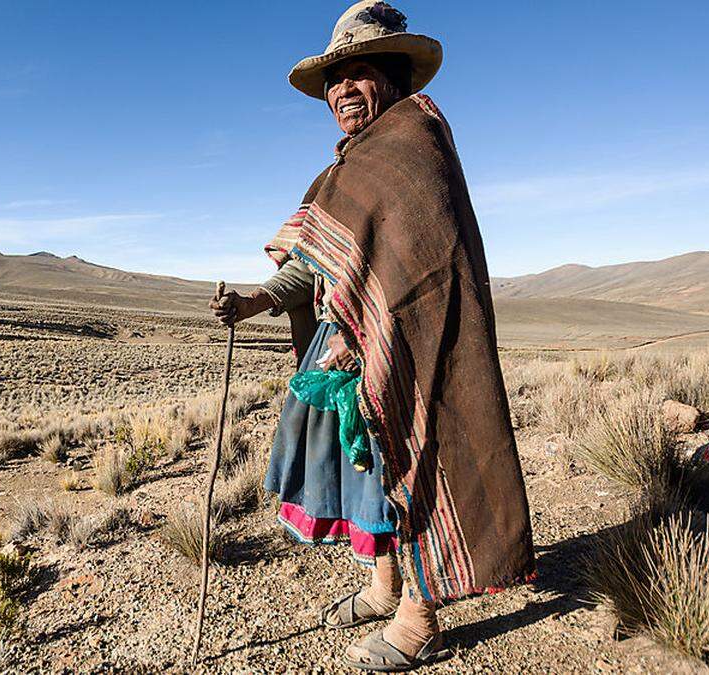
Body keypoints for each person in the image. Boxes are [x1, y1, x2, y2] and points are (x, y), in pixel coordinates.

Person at [210, 2, 535, 671]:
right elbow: (317, 266)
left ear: (393, 78)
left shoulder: (414, 144)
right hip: (345, 348)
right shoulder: (346, 168)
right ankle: (384, 584)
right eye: (334, 79)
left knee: (412, 468)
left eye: (359, 73)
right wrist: (255, 299)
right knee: (366, 474)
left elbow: (422, 272)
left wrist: (367, 339)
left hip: (406, 349)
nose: (342, 90)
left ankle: (421, 617)